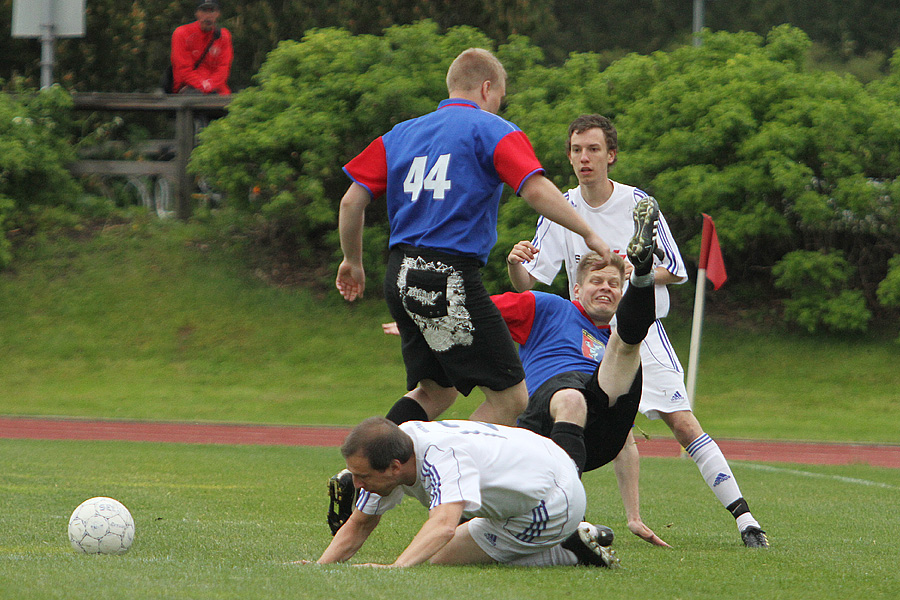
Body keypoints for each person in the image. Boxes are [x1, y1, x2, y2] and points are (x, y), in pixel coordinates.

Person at [506, 114, 768, 548]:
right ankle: (565, 519)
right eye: (576, 150)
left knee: (683, 423)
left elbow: (679, 270)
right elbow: (531, 283)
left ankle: (746, 520)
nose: (584, 158)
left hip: (641, 332)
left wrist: (635, 271)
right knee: (594, 422)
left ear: (611, 155)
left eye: (593, 149)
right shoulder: (561, 208)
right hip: (587, 336)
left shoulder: (637, 203)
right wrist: (516, 264)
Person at [336, 49, 610, 430]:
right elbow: (535, 190)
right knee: (513, 398)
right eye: (498, 97)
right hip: (449, 276)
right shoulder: (492, 129)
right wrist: (589, 232)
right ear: (486, 88)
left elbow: (352, 201)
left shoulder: (400, 133)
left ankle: (363, 469)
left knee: (436, 391)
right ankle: (448, 468)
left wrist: (353, 261)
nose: (497, 106)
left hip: (399, 275)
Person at [309, 417, 619, 568]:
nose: (357, 484)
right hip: (543, 463)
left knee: (440, 558)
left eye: (363, 477)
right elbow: (360, 522)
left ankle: (567, 550)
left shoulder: (441, 456)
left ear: (393, 467)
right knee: (438, 549)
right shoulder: (399, 444)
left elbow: (443, 525)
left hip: (552, 501)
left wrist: (396, 569)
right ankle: (571, 539)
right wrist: (321, 567)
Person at [170, 1, 233, 95]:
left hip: (217, 89)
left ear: (218, 14)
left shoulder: (224, 36)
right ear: (197, 13)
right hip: (188, 88)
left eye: (212, 11)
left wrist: (210, 85)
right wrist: (203, 86)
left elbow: (223, 68)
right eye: (203, 10)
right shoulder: (182, 33)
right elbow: (183, 70)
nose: (207, 16)